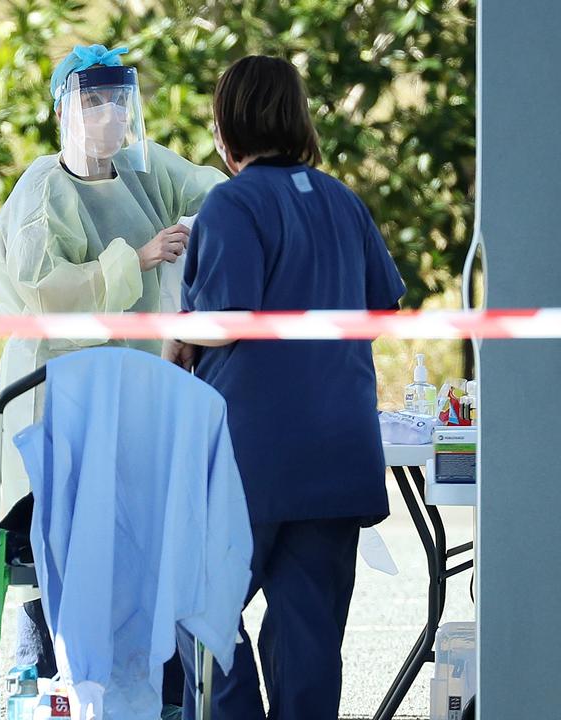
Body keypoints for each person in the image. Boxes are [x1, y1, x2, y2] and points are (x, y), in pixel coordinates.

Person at [0, 43, 225, 715]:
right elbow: (41, 294)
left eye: (119, 99)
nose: (109, 114)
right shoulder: (42, 188)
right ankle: (37, 690)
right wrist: (138, 259)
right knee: (60, 560)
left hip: (141, 404)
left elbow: (225, 195)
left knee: (153, 559)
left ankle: (162, 699)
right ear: (63, 109)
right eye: (93, 100)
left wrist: (196, 229)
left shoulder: (147, 173)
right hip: (58, 409)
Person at [164, 55, 406, 719]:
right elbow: (381, 311)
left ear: (225, 128)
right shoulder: (341, 200)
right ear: (299, 120)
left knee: (197, 606)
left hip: (252, 454)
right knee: (309, 634)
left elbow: (226, 317)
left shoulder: (232, 203)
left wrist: (177, 331)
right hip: (337, 451)